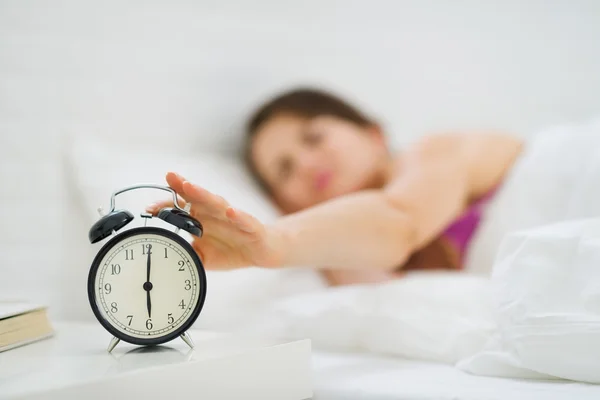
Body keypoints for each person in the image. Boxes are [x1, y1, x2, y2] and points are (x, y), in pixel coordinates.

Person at [146, 87, 524, 286]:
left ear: (373, 133)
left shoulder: (436, 152)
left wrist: (277, 241)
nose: (307, 165)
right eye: (285, 170)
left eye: (314, 137)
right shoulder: (353, 250)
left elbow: (398, 222)